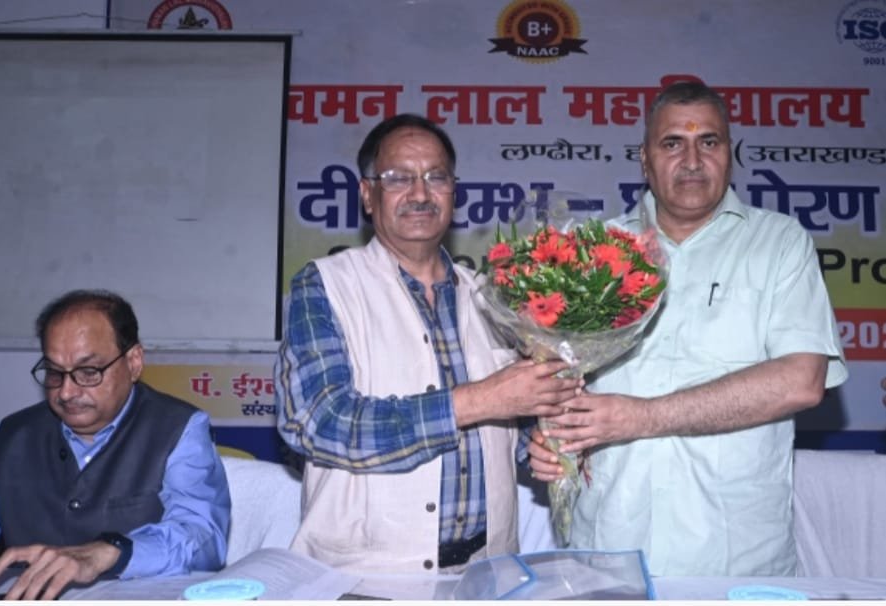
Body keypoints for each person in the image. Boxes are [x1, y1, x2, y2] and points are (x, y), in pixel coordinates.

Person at [529, 81, 848, 576]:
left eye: (709, 142)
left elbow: (802, 382)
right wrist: (552, 438)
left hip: (736, 563)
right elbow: (556, 378)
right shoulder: (592, 251)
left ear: (730, 153)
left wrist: (642, 417)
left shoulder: (779, 243)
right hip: (608, 551)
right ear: (645, 159)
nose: (693, 160)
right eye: (673, 143)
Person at [276, 113, 582, 574]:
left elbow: (511, 423)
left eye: (436, 177)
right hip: (365, 578)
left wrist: (538, 443)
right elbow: (317, 421)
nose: (420, 194)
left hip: (487, 571)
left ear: (454, 193)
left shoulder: (493, 296)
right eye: (398, 178)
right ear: (367, 195)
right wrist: (478, 401)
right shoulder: (325, 285)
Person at [0, 289, 231, 599]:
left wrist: (110, 552)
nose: (67, 392)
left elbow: (204, 539)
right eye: (55, 373)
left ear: (134, 362)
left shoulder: (178, 428)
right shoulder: (12, 435)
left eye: (89, 372)